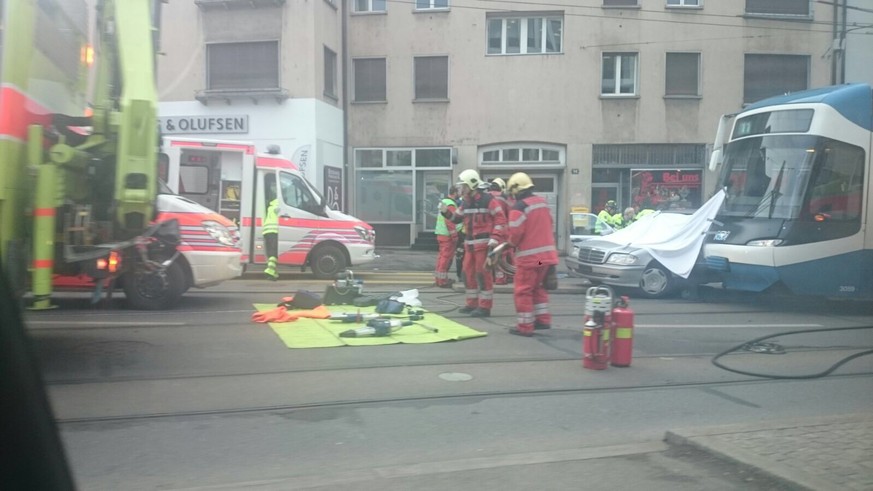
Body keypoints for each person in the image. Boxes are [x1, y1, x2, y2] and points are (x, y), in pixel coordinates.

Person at [439, 169, 506, 317]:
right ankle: (472, 303)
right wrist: (446, 212)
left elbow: (500, 219)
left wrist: (495, 238)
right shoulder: (466, 203)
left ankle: (485, 306)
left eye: (463, 186)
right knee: (467, 273)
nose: (461, 189)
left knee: (483, 274)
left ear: (471, 185)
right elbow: (457, 218)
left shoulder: (488, 200)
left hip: (484, 245)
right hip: (470, 245)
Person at [504, 172, 559, 337]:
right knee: (538, 288)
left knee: (523, 290)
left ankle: (525, 326)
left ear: (515, 189)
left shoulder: (519, 207)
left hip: (529, 260)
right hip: (545, 260)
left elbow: (515, 235)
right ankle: (542, 320)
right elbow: (550, 224)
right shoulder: (542, 203)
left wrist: (509, 244)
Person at [487, 178, 513, 285]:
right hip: (501, 229)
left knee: (489, 254)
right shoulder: (504, 197)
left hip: (487, 230)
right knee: (502, 254)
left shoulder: (486, 197)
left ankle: (489, 278)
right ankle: (500, 278)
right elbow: (510, 214)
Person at [433, 186, 460, 288]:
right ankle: (442, 281)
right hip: (447, 236)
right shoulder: (451, 204)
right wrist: (455, 236)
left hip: (441, 234)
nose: (460, 194)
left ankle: (439, 279)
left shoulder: (444, 202)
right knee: (446, 258)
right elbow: (450, 221)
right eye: (458, 192)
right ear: (455, 193)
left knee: (441, 258)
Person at [263, 179, 280, 281]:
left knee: (270, 252)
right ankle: (270, 270)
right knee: (274, 253)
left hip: (266, 231)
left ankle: (274, 274)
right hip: (274, 230)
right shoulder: (278, 205)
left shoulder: (270, 206)